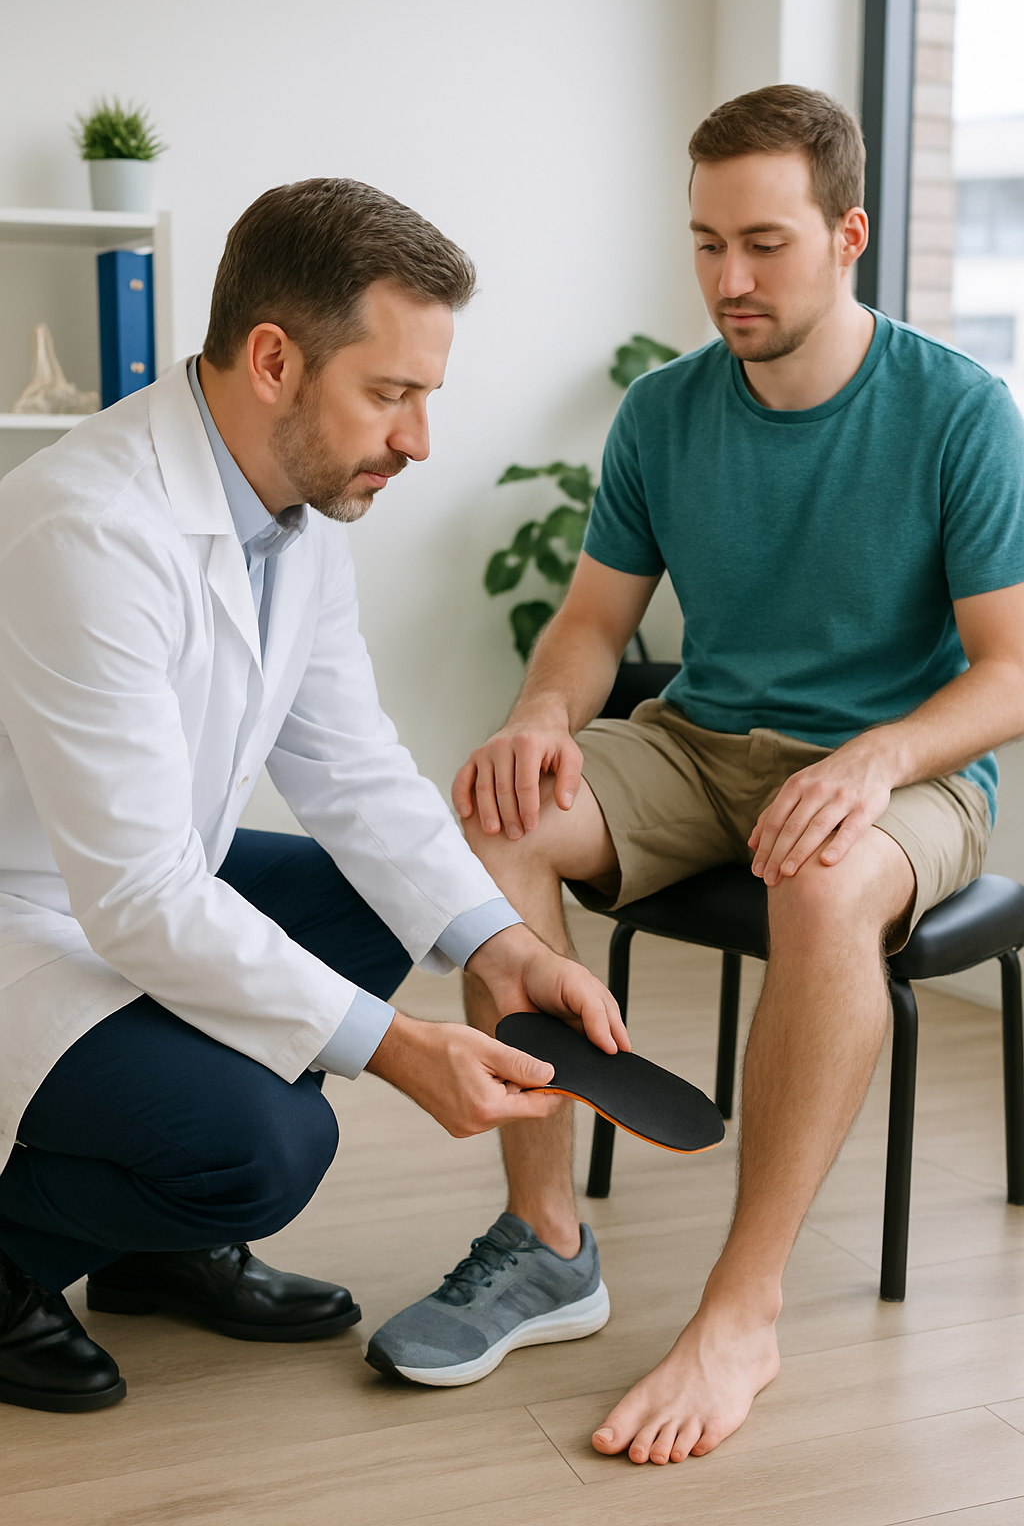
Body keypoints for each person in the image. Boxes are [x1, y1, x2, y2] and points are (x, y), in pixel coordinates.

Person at [367, 86, 1024, 1463]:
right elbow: (596, 625)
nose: (729, 279)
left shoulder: (961, 412)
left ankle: (744, 1309)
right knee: (498, 816)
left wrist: (876, 758)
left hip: (900, 772)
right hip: (706, 743)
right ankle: (546, 1237)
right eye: (707, 242)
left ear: (849, 234)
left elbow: (1009, 670)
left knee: (829, 872)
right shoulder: (664, 414)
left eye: (766, 244)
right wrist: (543, 711)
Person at [0, 178, 626, 1414]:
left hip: (133, 882)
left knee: (375, 899)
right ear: (275, 360)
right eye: (390, 394)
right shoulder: (85, 529)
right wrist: (399, 1051)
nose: (417, 441)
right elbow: (135, 897)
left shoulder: (294, 511)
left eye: (423, 397)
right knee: (268, 1146)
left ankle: (152, 1247)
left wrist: (495, 952)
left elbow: (347, 762)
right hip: (36, 906)